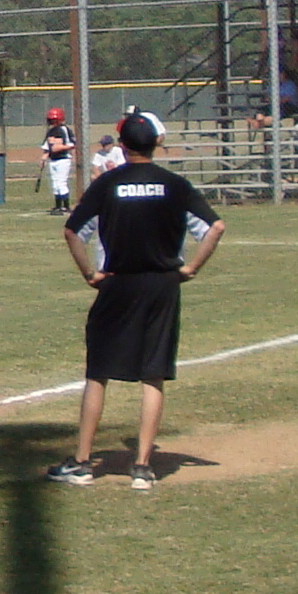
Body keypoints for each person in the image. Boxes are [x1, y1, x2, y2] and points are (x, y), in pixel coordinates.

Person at [47, 113, 225, 491]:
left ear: (122, 145)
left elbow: (72, 232)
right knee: (153, 373)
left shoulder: (108, 183)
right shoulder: (174, 184)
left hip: (117, 284)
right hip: (162, 284)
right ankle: (142, 466)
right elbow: (215, 227)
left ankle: (82, 462)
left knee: (99, 372)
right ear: (154, 144)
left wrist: (89, 274)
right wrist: (191, 268)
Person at [39, 107, 77, 218]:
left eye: (54, 119)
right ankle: (57, 205)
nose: (52, 122)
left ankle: (66, 206)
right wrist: (44, 158)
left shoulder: (64, 130)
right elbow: (48, 147)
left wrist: (59, 147)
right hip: (53, 159)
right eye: (51, 120)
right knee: (55, 183)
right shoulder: (50, 131)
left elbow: (71, 144)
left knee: (61, 182)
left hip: (63, 159)